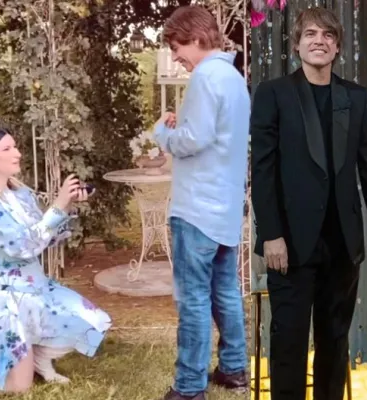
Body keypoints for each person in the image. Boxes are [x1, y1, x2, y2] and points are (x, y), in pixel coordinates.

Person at [250, 7, 367, 400]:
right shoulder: (273, 93)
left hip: (342, 244)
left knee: (335, 343)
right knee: (288, 345)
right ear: (297, 44)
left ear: (337, 46)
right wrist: (271, 234)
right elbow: (262, 169)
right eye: (310, 34)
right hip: (289, 245)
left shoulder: (356, 98)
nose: (319, 41)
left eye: (328, 35)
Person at [0, 127, 112, 394]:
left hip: (36, 288)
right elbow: (22, 246)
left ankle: (38, 358)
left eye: (15, 146)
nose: (17, 154)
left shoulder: (21, 195)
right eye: (7, 149)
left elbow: (44, 241)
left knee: (96, 322)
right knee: (19, 387)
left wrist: (67, 206)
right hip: (3, 298)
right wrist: (57, 206)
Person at [153, 5, 249, 400]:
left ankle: (190, 386)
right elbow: (214, 134)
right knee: (225, 290)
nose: (176, 57)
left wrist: (163, 133)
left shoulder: (205, 76)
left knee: (193, 297)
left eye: (177, 48)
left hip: (196, 208)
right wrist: (185, 126)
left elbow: (193, 140)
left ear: (195, 37)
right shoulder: (233, 78)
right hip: (224, 205)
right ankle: (234, 368)